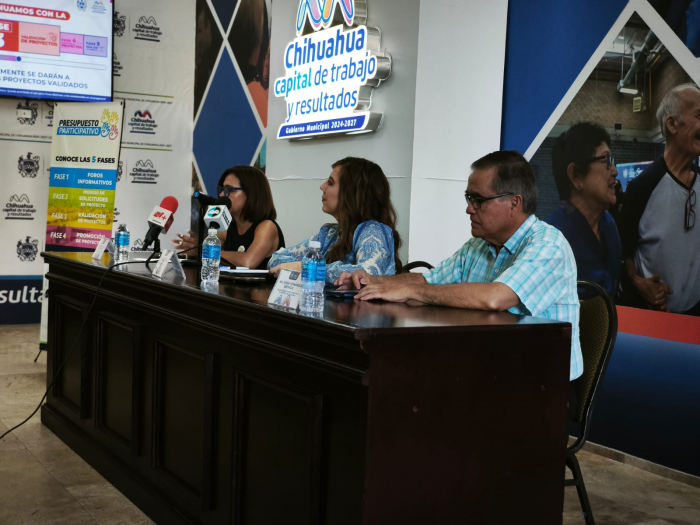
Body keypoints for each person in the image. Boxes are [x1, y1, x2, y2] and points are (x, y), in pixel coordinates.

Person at [337, 151, 583, 382]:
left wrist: (412, 292)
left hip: (541, 383)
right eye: (469, 198)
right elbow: (428, 280)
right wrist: (374, 281)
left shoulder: (548, 245)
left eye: (478, 200)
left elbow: (495, 298)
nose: (469, 209)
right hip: (489, 370)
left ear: (514, 203)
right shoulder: (478, 245)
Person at [619, 83, 700, 314]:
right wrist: (638, 282)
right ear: (672, 124)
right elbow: (623, 253)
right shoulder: (642, 188)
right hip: (653, 318)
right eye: (699, 115)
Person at [268, 157, 402, 283]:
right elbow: (276, 259)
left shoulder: (374, 231)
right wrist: (305, 267)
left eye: (330, 183)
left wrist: (306, 268)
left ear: (351, 193)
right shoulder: (329, 234)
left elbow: (366, 274)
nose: (322, 186)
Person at [546, 122, 622, 295]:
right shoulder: (552, 240)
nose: (615, 171)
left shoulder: (608, 224)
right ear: (576, 175)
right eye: (606, 160)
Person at [174, 166, 284, 269]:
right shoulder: (226, 228)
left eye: (230, 190)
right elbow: (208, 253)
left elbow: (248, 261)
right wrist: (196, 247)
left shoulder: (267, 226)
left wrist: (204, 251)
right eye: (222, 189)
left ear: (251, 193)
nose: (221, 195)